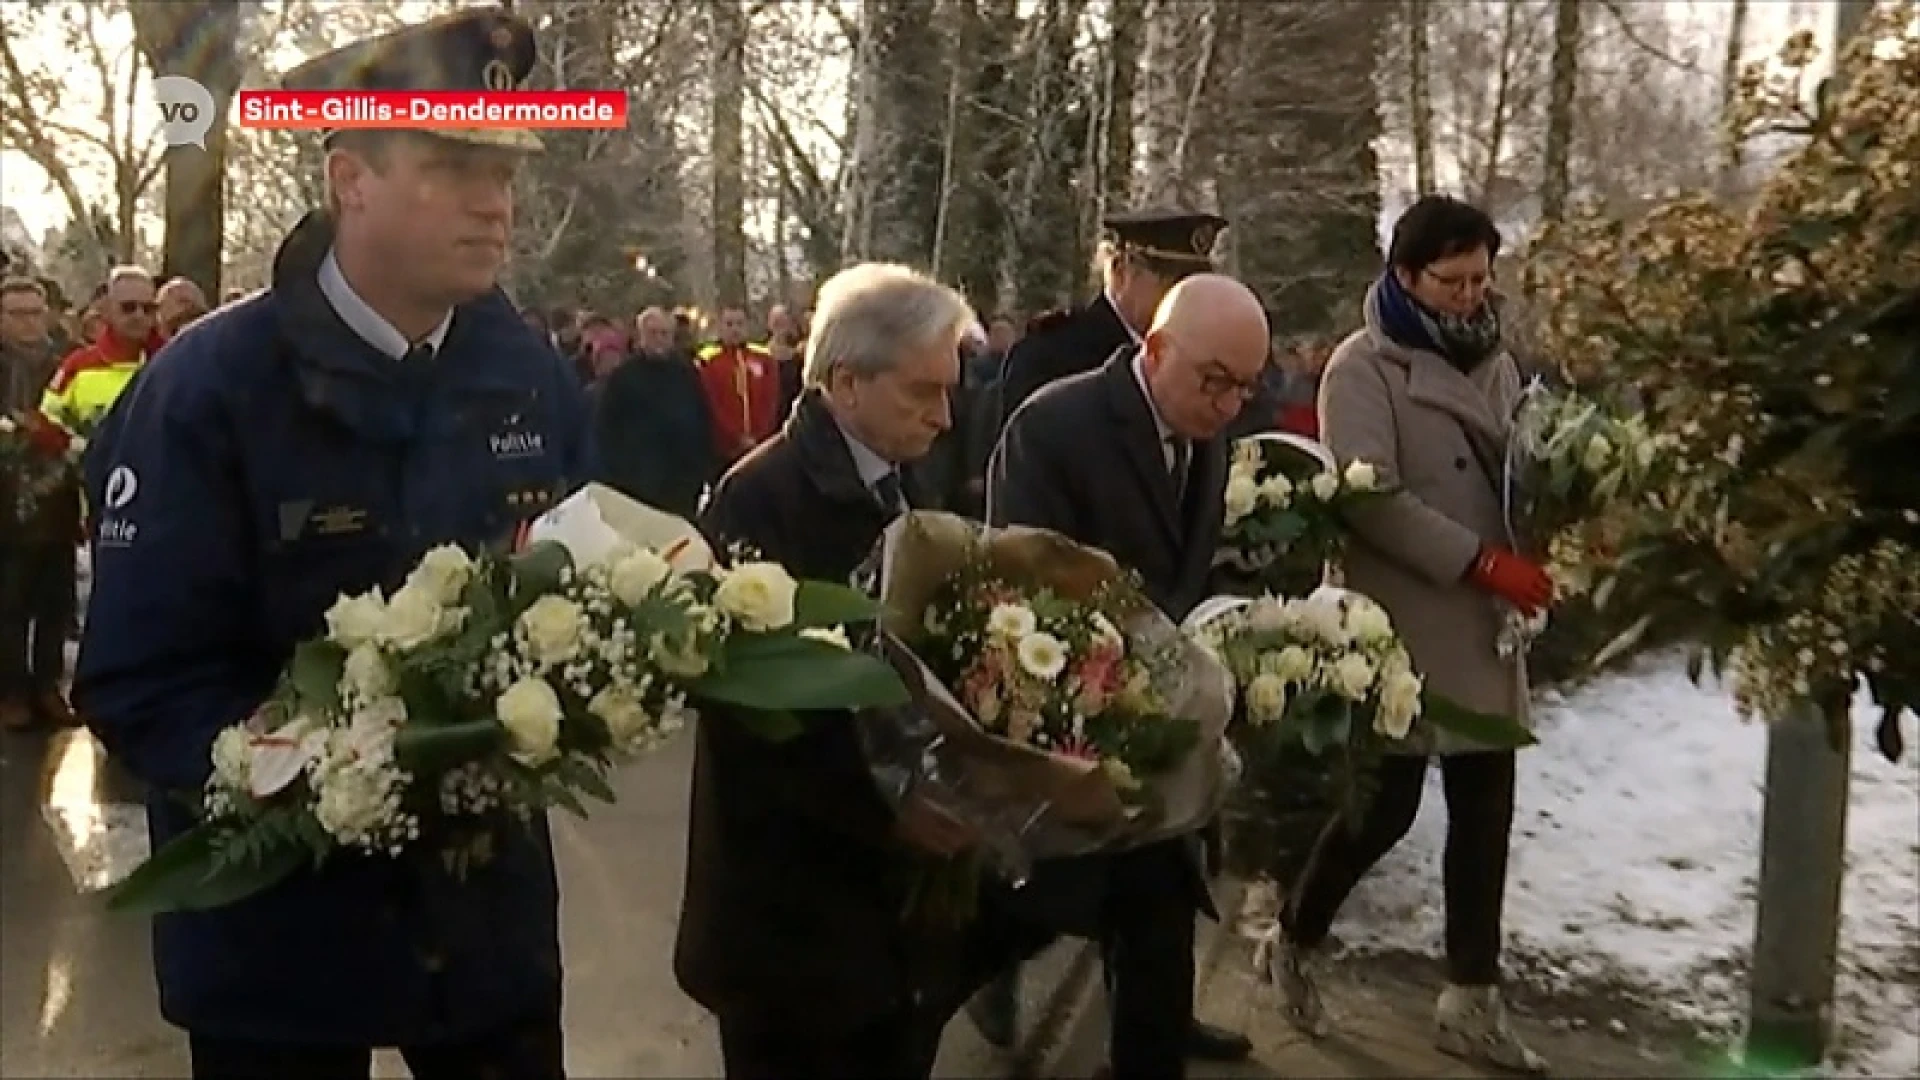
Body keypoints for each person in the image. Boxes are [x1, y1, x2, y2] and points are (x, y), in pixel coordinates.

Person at [72, 9, 587, 1078]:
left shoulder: (526, 371)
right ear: (350, 178)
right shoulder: (205, 391)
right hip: (278, 936)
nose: (497, 204)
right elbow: (139, 681)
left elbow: (572, 579)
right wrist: (325, 773)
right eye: (453, 168)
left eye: (505, 170)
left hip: (483, 924)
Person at [678, 263, 1016, 1079]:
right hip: (791, 919)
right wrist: (887, 810)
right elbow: (753, 718)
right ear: (844, 382)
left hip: (892, 915)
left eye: (950, 393)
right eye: (921, 393)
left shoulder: (910, 475)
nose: (943, 417)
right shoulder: (759, 499)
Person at [1268, 195, 1551, 1074]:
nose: (1472, 296)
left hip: (1485, 624)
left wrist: (1543, 536)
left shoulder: (1495, 359)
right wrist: (1481, 562)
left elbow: (1517, 469)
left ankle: (1472, 998)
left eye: (1481, 278)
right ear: (1405, 275)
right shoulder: (1363, 366)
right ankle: (1293, 938)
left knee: (1485, 811)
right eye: (1452, 279)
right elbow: (1369, 496)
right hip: (1399, 619)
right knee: (1380, 810)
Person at [987, 274, 1268, 1079]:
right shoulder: (1056, 425)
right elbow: (1024, 580)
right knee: (1032, 908)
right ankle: (977, 980)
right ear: (1156, 349)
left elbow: (1188, 568)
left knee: (1159, 899)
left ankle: (1155, 1040)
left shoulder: (1207, 433)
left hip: (1161, 716)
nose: (1227, 406)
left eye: (1245, 387)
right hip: (1069, 714)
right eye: (1215, 381)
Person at [996, 208, 1225, 433]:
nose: (1184, 299)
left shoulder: (1199, 363)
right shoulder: (1052, 355)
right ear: (1120, 271)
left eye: (1194, 287)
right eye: (1170, 284)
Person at [1, 276, 78, 730]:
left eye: (35, 311)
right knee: (10, 603)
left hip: (58, 498)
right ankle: (11, 690)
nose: (30, 322)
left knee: (55, 598)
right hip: (7, 499)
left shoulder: (65, 362)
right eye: (18, 313)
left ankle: (48, 686)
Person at [594, 306, 714, 518]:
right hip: (639, 484)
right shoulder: (623, 378)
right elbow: (607, 430)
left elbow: (702, 420)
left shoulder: (686, 373)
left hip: (681, 483)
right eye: (652, 333)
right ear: (641, 337)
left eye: (664, 333)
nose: (659, 339)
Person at [41, 267, 163, 430]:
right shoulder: (78, 365)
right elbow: (48, 420)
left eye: (147, 309)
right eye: (128, 307)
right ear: (108, 311)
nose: (138, 316)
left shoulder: (169, 364)